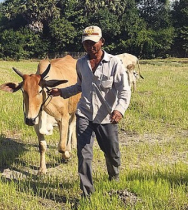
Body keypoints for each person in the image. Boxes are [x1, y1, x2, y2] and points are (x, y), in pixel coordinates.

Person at [49, 25, 131, 198]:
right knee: (84, 155)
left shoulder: (114, 63)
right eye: (86, 43)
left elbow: (124, 90)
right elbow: (80, 86)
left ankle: (114, 175)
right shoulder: (81, 64)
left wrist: (119, 109)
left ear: (102, 42)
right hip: (85, 114)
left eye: (93, 43)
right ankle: (87, 193)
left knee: (112, 152)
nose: (90, 46)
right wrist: (62, 92)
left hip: (107, 117)